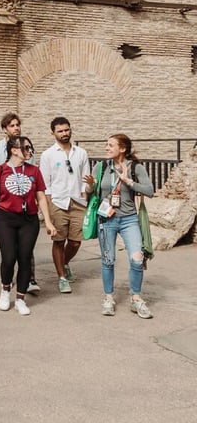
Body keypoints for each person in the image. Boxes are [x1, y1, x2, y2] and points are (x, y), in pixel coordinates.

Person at [84, 133, 155, 319]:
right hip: (106, 219)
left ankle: (136, 297)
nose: (106, 148)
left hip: (129, 219)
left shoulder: (136, 168)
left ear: (122, 149)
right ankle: (108, 298)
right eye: (106, 145)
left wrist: (128, 181)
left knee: (137, 258)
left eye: (110, 145)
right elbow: (89, 194)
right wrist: (90, 186)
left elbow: (149, 191)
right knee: (108, 260)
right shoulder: (100, 167)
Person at [0, 136, 56, 316]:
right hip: (5, 219)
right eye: (26, 148)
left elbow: (40, 196)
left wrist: (47, 221)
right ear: (14, 150)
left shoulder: (34, 171)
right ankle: (5, 289)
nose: (30, 151)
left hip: (28, 219)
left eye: (30, 147)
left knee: (25, 258)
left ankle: (20, 299)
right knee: (9, 257)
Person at [0, 113, 40, 293]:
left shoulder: (26, 146)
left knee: (26, 249)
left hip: (24, 203)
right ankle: (6, 283)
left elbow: (31, 173)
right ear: (4, 129)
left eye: (17, 124)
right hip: (4, 201)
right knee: (9, 252)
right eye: (12, 125)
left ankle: (28, 279)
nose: (16, 128)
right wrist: (1, 180)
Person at [39, 116, 90, 293]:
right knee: (59, 241)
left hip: (78, 201)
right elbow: (45, 184)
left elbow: (85, 178)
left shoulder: (81, 153)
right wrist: (48, 207)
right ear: (52, 133)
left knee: (76, 242)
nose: (64, 133)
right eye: (60, 131)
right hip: (58, 202)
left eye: (67, 130)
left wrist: (85, 192)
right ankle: (61, 277)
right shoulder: (48, 155)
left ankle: (65, 262)